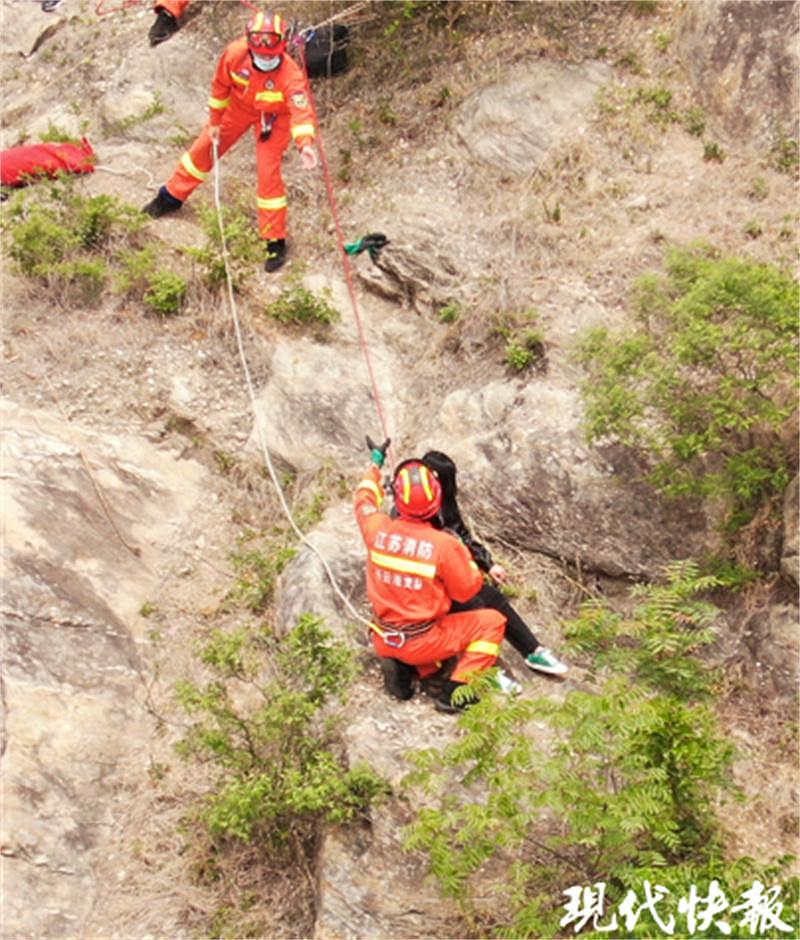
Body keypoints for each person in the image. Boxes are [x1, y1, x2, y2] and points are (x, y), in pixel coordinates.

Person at [142, 10, 319, 273]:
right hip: (238, 108)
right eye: (258, 54)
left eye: (269, 56)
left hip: (274, 119)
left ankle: (274, 238)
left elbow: (301, 112)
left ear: (282, 48)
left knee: (267, 174)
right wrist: (214, 122)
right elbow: (220, 87)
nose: (263, 58)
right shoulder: (236, 54)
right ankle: (170, 197)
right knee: (202, 150)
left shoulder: (291, 76)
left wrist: (305, 144)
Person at [355, 455, 509, 714]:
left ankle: (409, 669)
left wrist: (375, 467)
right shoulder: (442, 545)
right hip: (422, 640)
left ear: (398, 499)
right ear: (436, 501)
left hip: (383, 634)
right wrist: (466, 558)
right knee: (492, 622)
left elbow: (363, 499)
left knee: (431, 653)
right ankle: (456, 694)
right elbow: (467, 590)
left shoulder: (377, 528)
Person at [421, 450, 568, 677]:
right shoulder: (410, 512)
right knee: (475, 607)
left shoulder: (445, 505)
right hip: (430, 587)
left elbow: (464, 535)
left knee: (494, 598)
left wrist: (489, 565)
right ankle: (486, 672)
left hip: (454, 576)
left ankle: (533, 650)